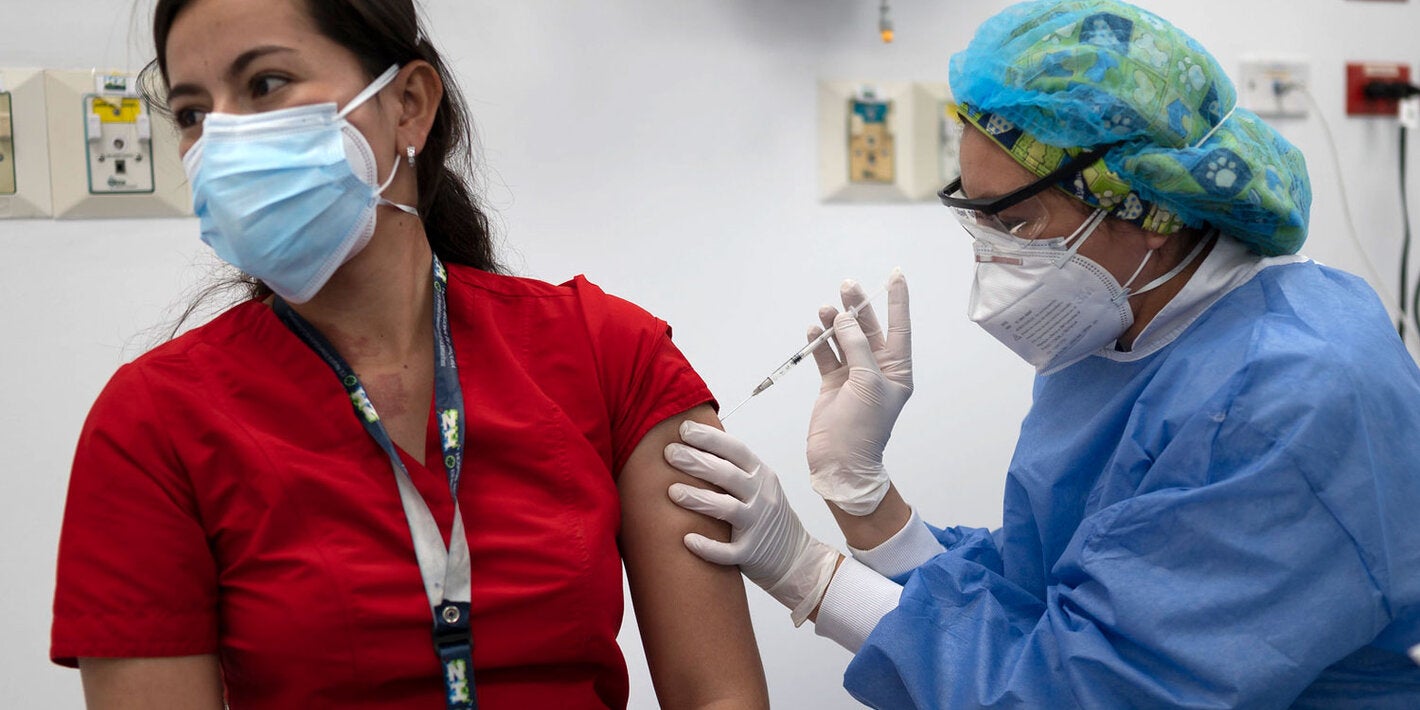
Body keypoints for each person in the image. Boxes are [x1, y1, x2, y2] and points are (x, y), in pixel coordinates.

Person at [663, 0, 1420, 707]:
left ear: (1148, 211)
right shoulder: (1128, 338)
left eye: (1018, 224)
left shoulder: (1287, 396)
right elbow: (1039, 598)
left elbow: (1075, 686)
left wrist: (811, 576)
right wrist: (862, 494)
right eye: (980, 222)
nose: (996, 259)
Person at [49, 0, 770, 708]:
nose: (224, 139)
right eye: (192, 113)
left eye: (266, 83)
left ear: (409, 105)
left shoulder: (611, 354)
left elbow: (720, 697)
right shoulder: (153, 424)